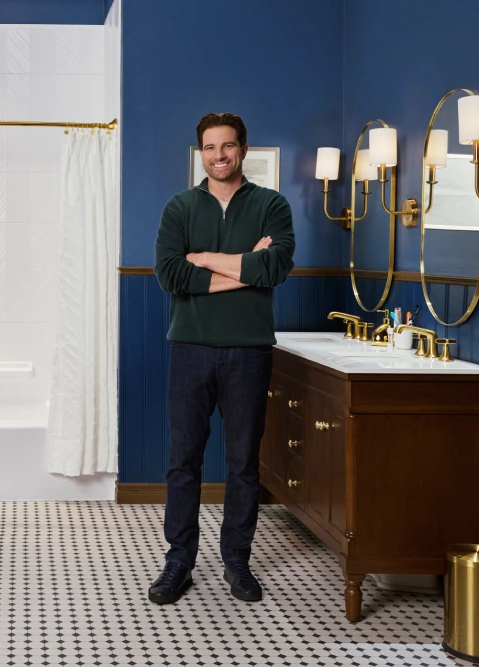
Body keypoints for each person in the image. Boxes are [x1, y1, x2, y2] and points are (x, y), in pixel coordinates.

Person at [148, 112, 295, 605]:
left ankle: (237, 561)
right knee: (183, 461)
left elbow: (276, 267)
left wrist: (205, 258)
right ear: (201, 153)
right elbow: (170, 274)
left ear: (243, 149)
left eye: (228, 146)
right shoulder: (180, 207)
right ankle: (179, 562)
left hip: (250, 351)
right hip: (190, 348)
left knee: (243, 463)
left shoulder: (272, 205)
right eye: (210, 147)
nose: (219, 155)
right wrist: (245, 267)